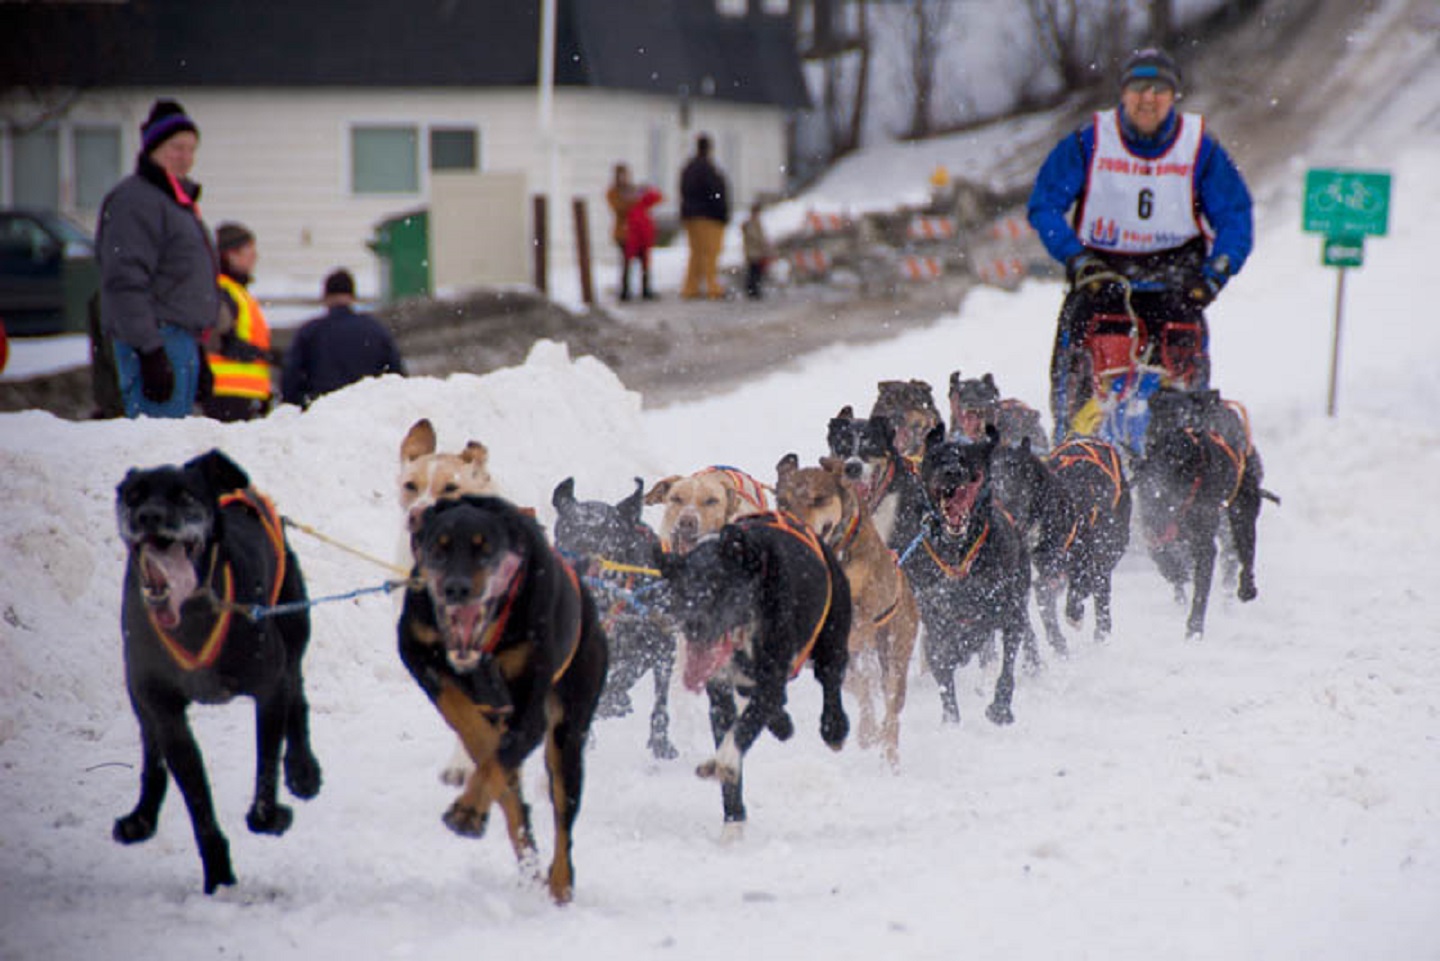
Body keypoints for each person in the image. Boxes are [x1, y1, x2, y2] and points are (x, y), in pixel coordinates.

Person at [1027, 48, 1253, 439]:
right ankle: (1073, 446)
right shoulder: (1090, 141)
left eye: (1158, 89)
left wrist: (1216, 273)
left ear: (1173, 96)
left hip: (1177, 284)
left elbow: (1236, 216)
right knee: (1079, 378)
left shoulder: (1198, 148)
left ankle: (1184, 454)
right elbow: (1044, 204)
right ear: (1123, 93)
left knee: (1183, 388)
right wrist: (1075, 258)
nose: (1147, 98)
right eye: (1137, 88)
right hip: (1101, 280)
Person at [96, 98, 219, 418]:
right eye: (176, 148)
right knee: (156, 447)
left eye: (192, 149)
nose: (186, 158)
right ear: (153, 148)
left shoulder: (175, 202)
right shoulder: (136, 201)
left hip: (181, 339)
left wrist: (198, 353)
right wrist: (150, 350)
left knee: (173, 445)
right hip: (156, 338)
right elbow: (125, 280)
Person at [281, 268, 405, 409]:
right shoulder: (376, 330)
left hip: (321, 412)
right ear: (353, 297)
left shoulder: (309, 332)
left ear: (325, 297)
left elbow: (290, 380)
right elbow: (397, 376)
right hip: (367, 411)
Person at [202, 222, 275, 421]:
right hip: (229, 393)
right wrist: (260, 355)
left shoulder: (237, 292)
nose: (255, 257)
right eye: (248, 251)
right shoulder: (223, 291)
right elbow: (219, 340)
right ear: (230, 254)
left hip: (242, 393)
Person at [679, 133, 730, 300]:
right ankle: (712, 287)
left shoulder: (689, 168)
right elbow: (715, 193)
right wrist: (721, 212)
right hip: (708, 217)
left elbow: (684, 190)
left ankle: (690, 287)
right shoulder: (708, 169)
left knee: (696, 253)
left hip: (691, 215)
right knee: (710, 253)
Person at [741, 201, 775, 300]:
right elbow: (755, 237)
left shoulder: (755, 223)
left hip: (756, 252)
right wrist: (763, 244)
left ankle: (754, 290)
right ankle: (752, 290)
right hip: (754, 252)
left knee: (756, 272)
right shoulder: (751, 223)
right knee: (754, 272)